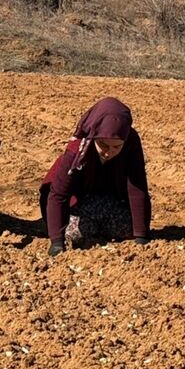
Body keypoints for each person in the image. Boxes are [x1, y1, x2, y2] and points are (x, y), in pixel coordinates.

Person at [40, 98, 150, 255]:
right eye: (104, 145)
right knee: (74, 233)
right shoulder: (79, 146)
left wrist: (141, 236)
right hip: (80, 205)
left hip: (113, 202)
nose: (109, 152)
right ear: (94, 137)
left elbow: (137, 187)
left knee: (128, 227)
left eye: (116, 147)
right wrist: (56, 241)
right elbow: (58, 193)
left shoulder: (131, 141)